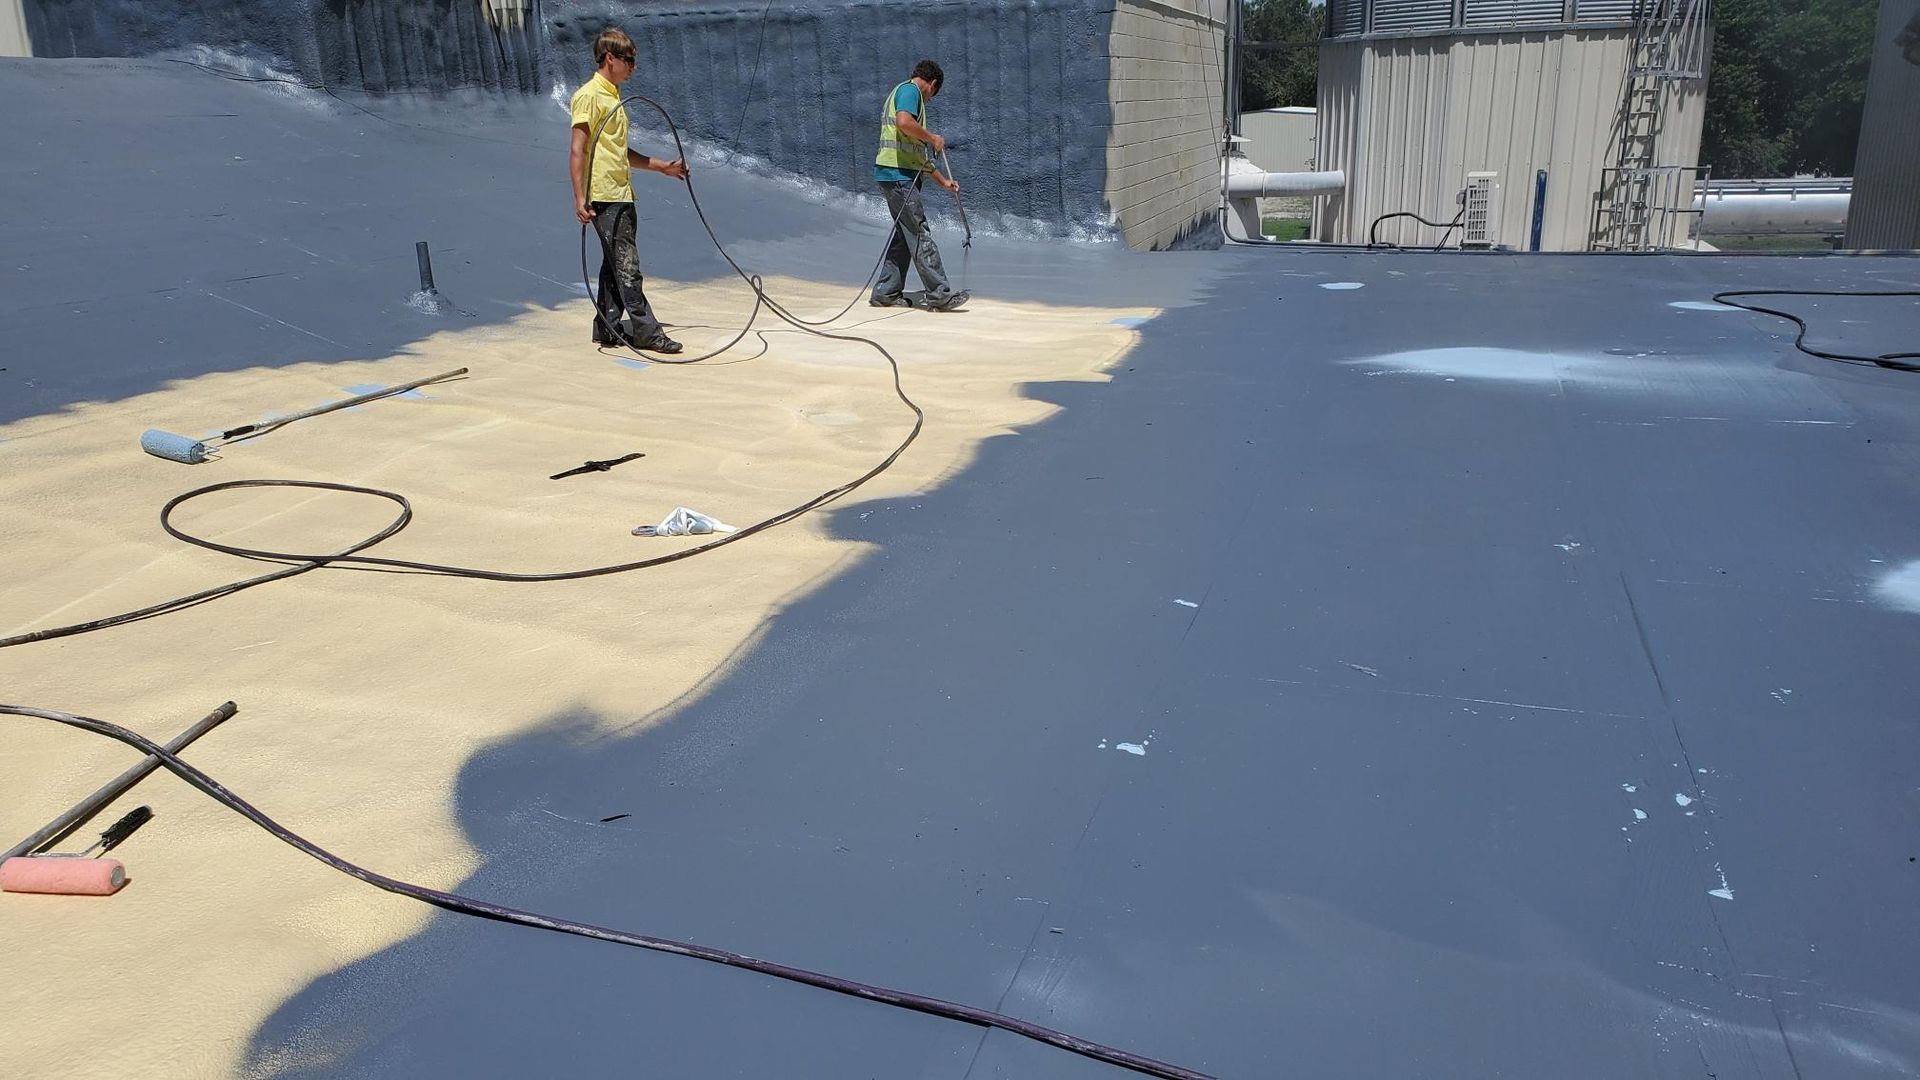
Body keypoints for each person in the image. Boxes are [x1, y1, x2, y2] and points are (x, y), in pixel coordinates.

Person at [568, 28, 689, 353]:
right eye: (628, 60)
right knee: (627, 266)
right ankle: (647, 332)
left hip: (621, 192)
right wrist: (579, 197)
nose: (633, 66)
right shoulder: (589, 96)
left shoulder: (613, 97)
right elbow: (578, 149)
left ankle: (606, 328)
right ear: (610, 58)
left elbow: (619, 152)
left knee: (613, 264)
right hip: (605, 196)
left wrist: (663, 166)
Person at [871, 60, 968, 312]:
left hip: (895, 174)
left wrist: (944, 182)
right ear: (933, 84)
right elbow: (904, 122)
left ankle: (886, 292)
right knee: (919, 233)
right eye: (934, 93)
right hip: (898, 176)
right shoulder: (910, 92)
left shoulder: (906, 96)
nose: (931, 99)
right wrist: (932, 137)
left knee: (905, 235)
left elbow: (918, 157)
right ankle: (940, 294)